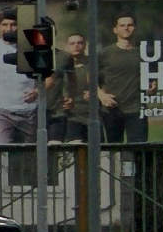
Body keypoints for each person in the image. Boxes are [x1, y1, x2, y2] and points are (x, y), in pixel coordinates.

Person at [0, 9, 38, 145]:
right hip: (0, 110)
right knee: (1, 152)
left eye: (14, 24)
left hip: (28, 111)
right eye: (5, 24)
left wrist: (38, 91)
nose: (9, 28)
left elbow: (49, 77)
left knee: (29, 155)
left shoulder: (32, 47)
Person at [96, 11, 148, 145]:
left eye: (130, 25)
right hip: (112, 110)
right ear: (115, 29)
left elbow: (152, 79)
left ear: (134, 28)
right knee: (114, 151)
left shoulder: (144, 53)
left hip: (137, 109)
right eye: (122, 25)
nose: (126, 28)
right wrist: (101, 95)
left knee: (139, 149)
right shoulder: (105, 53)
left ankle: (135, 167)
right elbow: (90, 78)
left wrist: (153, 87)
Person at [47, 30, 91, 141]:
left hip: (88, 115)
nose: (76, 46)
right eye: (72, 43)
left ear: (85, 45)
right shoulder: (59, 68)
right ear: (67, 46)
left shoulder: (92, 65)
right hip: (64, 115)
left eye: (79, 43)